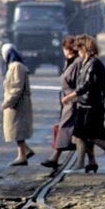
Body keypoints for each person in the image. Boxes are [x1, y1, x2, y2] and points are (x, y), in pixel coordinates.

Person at [65, 34, 105, 174]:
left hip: (93, 106)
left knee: (93, 136)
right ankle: (79, 163)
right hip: (84, 105)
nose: (78, 52)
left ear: (85, 48)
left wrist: (71, 96)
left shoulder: (94, 64)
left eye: (79, 49)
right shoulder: (85, 62)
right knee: (79, 135)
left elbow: (87, 84)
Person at [41, 36, 81, 170]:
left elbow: (77, 83)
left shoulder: (77, 62)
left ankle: (55, 156)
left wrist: (70, 96)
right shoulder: (69, 62)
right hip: (67, 101)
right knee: (82, 134)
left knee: (65, 129)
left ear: (67, 49)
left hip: (73, 101)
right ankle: (91, 160)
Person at [0, 42, 34, 166]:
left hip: (17, 105)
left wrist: (7, 102)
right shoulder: (14, 66)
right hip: (16, 104)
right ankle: (25, 151)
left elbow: (16, 87)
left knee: (18, 130)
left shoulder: (16, 67)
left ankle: (22, 155)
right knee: (16, 130)